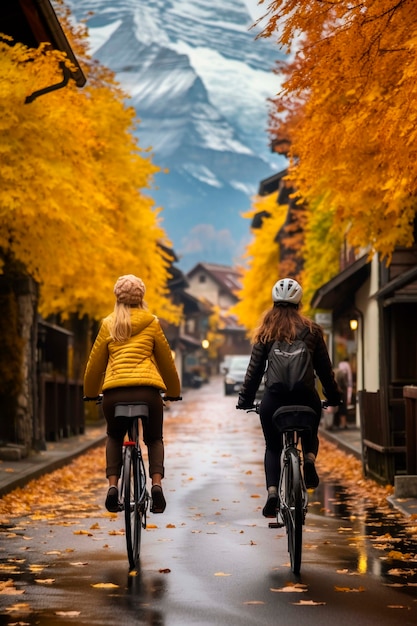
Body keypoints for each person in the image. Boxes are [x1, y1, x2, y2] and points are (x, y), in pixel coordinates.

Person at [236, 278, 341, 518]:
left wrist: (245, 400)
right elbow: (325, 371)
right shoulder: (313, 331)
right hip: (307, 400)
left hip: (274, 402)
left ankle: (273, 493)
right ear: (299, 303)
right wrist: (334, 397)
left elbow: (253, 372)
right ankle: (310, 460)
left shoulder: (266, 333)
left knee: (273, 447)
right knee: (310, 432)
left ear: (274, 303)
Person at [83, 274, 181, 514]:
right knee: (154, 438)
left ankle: (113, 487)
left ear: (118, 298)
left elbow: (94, 365)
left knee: (114, 437)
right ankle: (156, 485)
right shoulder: (152, 322)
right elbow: (166, 362)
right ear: (141, 298)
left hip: (114, 394)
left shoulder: (109, 323)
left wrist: (90, 393)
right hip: (147, 393)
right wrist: (173, 392)